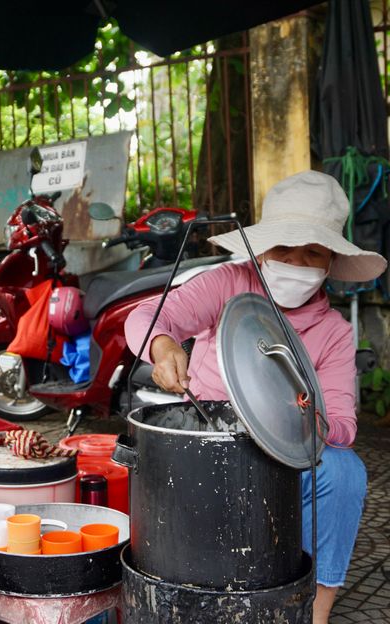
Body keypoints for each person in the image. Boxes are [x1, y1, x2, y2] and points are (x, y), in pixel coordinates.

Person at [124, 170, 386, 624]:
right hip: (211, 448)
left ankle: (313, 613)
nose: (296, 262)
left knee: (345, 473)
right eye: (283, 248)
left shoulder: (335, 333)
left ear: (330, 263)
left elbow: (341, 427)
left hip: (287, 461)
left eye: (312, 253)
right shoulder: (227, 285)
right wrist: (163, 346)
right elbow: (150, 316)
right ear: (261, 248)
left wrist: (300, 409)